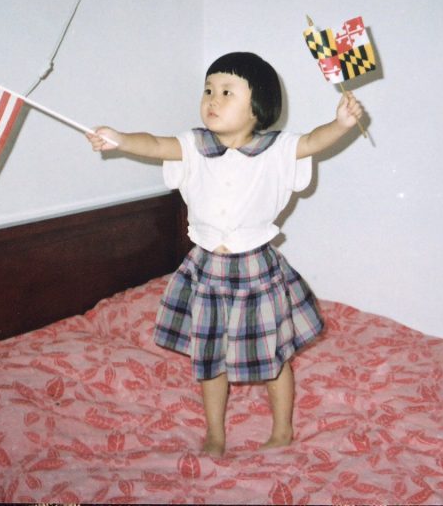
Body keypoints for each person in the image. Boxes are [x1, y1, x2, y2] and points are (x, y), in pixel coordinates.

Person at [87, 51, 365, 457]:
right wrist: (121, 140)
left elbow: (314, 141)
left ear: (258, 106)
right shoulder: (193, 145)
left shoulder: (278, 149)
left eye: (227, 91)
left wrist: (341, 124)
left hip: (256, 268)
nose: (212, 100)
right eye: (208, 90)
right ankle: (215, 433)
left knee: (273, 357)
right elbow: (154, 144)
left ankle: (282, 429)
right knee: (209, 356)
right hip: (206, 269)